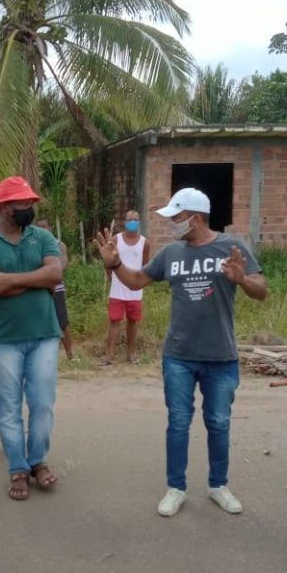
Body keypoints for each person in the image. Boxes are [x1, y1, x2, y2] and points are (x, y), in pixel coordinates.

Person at [94, 188, 268, 516]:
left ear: (195, 218)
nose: (171, 224)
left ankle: (218, 485)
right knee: (178, 421)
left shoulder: (233, 247)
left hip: (220, 355)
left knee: (218, 422)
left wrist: (242, 279)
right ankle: (176, 487)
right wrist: (115, 263)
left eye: (176, 218)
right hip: (179, 355)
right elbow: (135, 282)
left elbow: (261, 290)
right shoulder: (171, 254)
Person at [0, 176, 63, 501]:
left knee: (43, 404)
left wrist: (12, 281)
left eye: (31, 202)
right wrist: (37, 280)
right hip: (4, 337)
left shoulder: (43, 237)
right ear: (4, 207)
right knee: (8, 407)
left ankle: (38, 461)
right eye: (23, 203)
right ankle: (18, 468)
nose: (30, 208)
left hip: (45, 334)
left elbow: (55, 273)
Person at [99, 209, 150, 365]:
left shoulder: (144, 242)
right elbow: (108, 261)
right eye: (130, 219)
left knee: (133, 322)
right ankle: (109, 355)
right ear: (124, 222)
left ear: (139, 222)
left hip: (135, 290)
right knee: (114, 321)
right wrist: (110, 274)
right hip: (117, 289)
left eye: (135, 219)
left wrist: (137, 280)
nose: (132, 222)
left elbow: (145, 265)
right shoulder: (116, 239)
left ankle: (131, 354)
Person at [36, 219, 74, 360]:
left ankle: (70, 354)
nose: (42, 229)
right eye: (39, 227)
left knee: (62, 321)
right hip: (39, 288)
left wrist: (45, 269)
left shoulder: (59, 245)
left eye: (44, 226)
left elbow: (62, 266)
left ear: (50, 227)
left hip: (56, 288)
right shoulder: (33, 245)